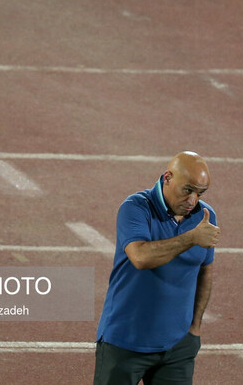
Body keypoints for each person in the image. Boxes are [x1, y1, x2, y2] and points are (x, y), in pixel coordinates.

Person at [94, 151, 220, 385]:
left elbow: (205, 271)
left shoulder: (205, 216)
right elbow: (140, 257)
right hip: (125, 341)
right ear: (167, 178)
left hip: (177, 347)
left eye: (199, 193)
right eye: (187, 190)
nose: (193, 200)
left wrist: (194, 328)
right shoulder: (135, 208)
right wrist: (191, 238)